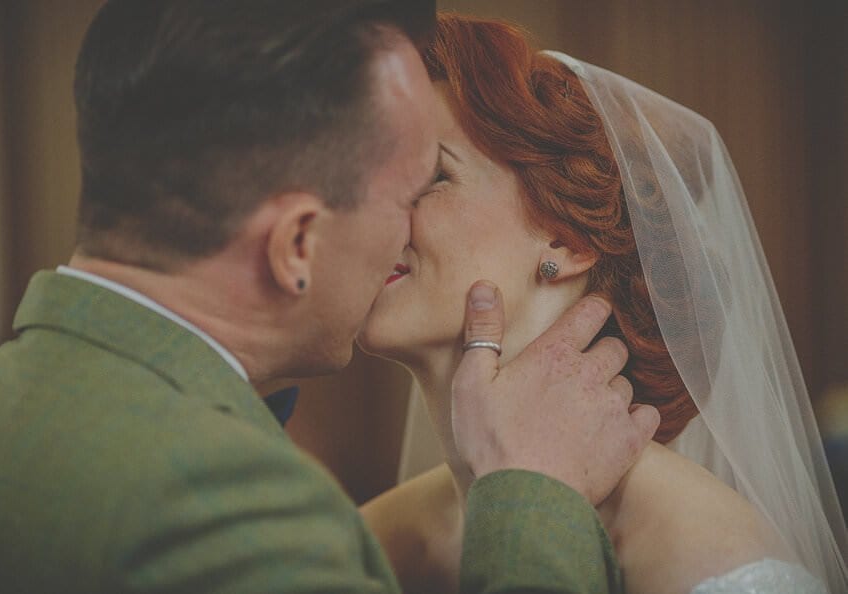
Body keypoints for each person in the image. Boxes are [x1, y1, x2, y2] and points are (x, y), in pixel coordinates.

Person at [0, 2, 659, 593]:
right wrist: (533, 493)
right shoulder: (228, 507)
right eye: (403, 195)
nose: (405, 231)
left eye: (433, 183)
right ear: (295, 243)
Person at [359, 13, 848, 594]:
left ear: (565, 239)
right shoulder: (371, 541)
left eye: (431, 175)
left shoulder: (708, 554)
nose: (366, 211)